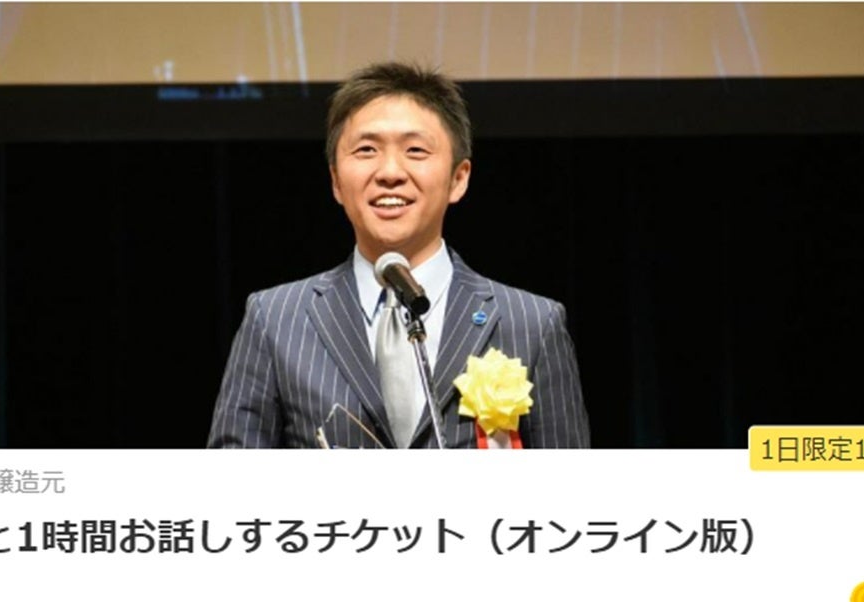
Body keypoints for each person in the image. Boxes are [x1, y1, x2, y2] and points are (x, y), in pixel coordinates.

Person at [208, 62, 589, 448]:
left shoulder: (531, 324)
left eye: (415, 150)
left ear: (458, 179)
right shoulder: (275, 320)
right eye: (367, 150)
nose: (390, 172)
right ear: (336, 181)